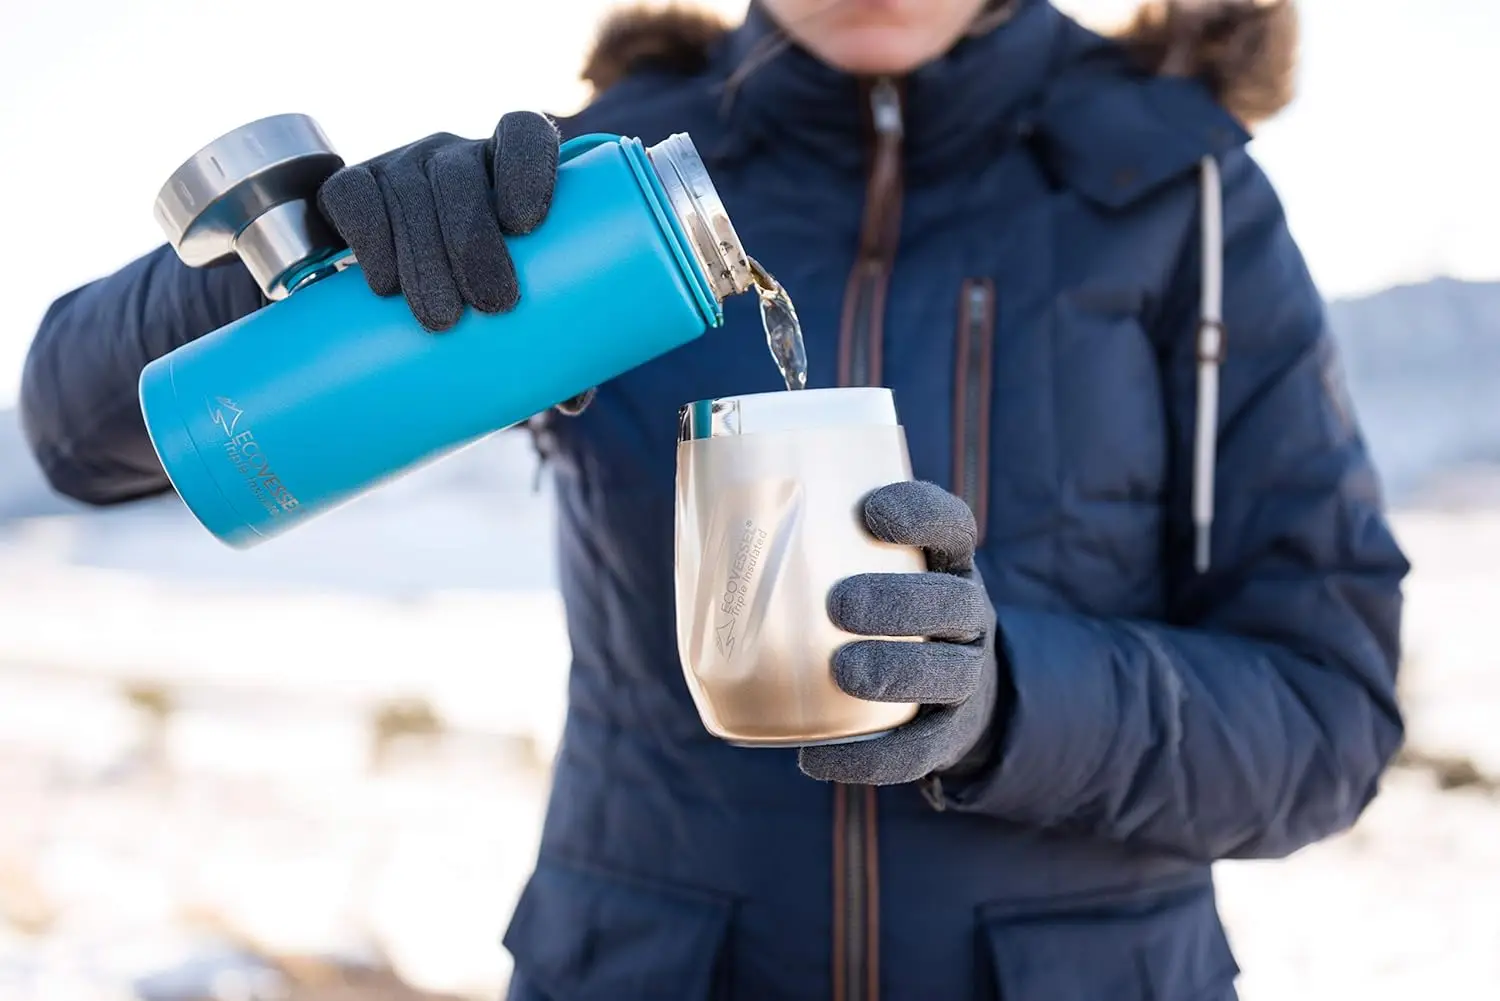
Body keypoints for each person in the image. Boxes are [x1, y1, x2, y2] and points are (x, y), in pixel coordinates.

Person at [18, 0, 1409, 997]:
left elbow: (1328, 718)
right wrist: (299, 266)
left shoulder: (1183, 200)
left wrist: (1014, 699)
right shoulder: (582, 190)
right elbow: (84, 445)